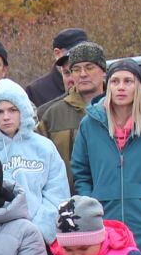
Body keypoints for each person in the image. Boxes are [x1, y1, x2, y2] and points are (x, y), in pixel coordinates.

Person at [70, 60, 141, 255]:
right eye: (115, 81)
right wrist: (92, 205)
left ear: (139, 86)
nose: (121, 87)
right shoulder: (90, 124)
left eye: (128, 81)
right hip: (104, 220)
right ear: (108, 86)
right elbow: (81, 171)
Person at [0, 78, 70, 242]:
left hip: (41, 238)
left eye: (12, 110)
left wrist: (38, 230)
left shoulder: (44, 147)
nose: (6, 117)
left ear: (22, 110)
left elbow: (58, 193)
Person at [36, 41, 107, 173]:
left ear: (103, 71)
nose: (83, 74)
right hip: (66, 193)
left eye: (89, 67)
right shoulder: (52, 115)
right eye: (76, 69)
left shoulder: (122, 107)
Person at [27, 27, 90, 108]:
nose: (80, 56)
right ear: (57, 53)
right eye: (74, 52)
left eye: (85, 51)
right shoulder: (35, 91)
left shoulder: (94, 81)